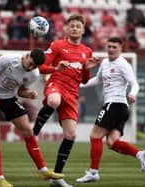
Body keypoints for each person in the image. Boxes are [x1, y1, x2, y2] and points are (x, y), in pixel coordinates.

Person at [32, 14, 99, 187]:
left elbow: (84, 80)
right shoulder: (57, 45)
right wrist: (56, 68)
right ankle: (34, 132)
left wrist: (86, 69)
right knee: (53, 101)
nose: (75, 28)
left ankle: (57, 177)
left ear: (83, 30)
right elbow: (41, 68)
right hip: (56, 84)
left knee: (71, 135)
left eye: (78, 26)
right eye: (72, 26)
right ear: (67, 29)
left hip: (72, 93)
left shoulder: (87, 51)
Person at [0, 48, 64, 187]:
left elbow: (19, 91)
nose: (31, 67)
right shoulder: (8, 59)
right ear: (27, 56)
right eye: (30, 63)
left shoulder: (34, 74)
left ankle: (43, 170)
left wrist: (29, 94)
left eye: (34, 66)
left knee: (27, 130)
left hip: (9, 98)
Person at [76, 37, 145, 183]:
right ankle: (140, 154)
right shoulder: (104, 62)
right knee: (111, 142)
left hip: (115, 105)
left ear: (121, 48)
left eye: (114, 47)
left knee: (95, 136)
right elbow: (98, 80)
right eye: (109, 46)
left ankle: (93, 172)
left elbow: (134, 83)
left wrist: (133, 93)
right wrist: (78, 84)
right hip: (120, 108)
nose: (111, 49)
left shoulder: (123, 64)